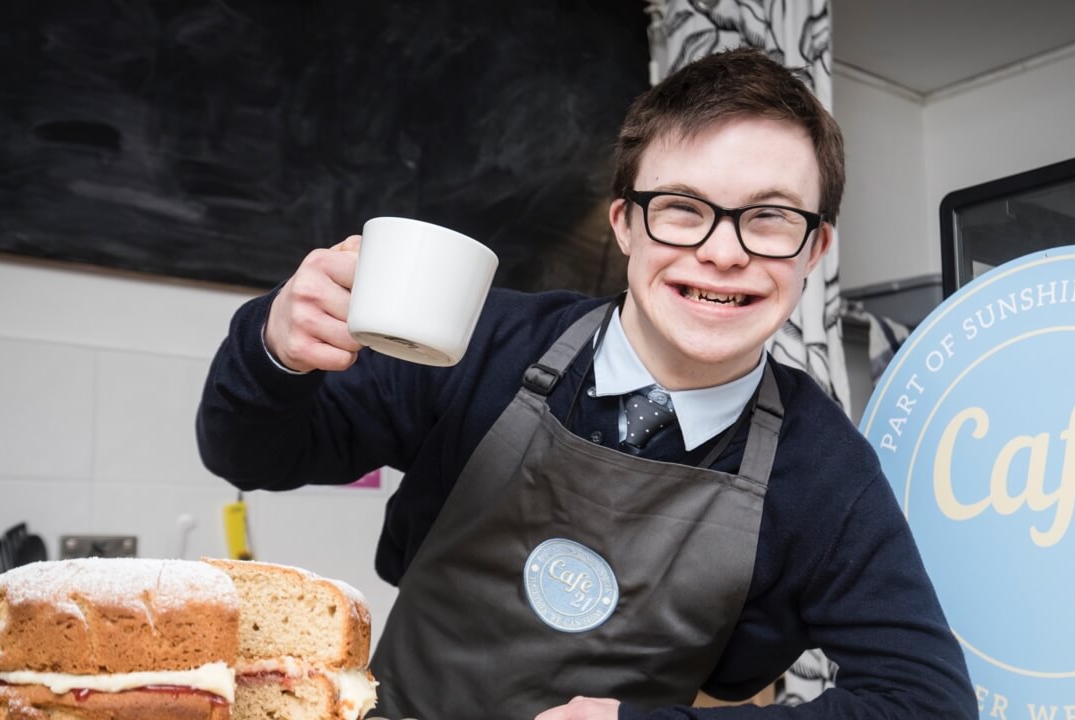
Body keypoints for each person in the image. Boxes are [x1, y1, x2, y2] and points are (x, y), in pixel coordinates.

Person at [197, 47, 976, 719]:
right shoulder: (482, 341)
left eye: (769, 218)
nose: (723, 252)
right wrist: (274, 348)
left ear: (816, 250)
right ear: (625, 224)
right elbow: (250, 454)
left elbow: (925, 700)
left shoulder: (824, 470)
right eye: (682, 209)